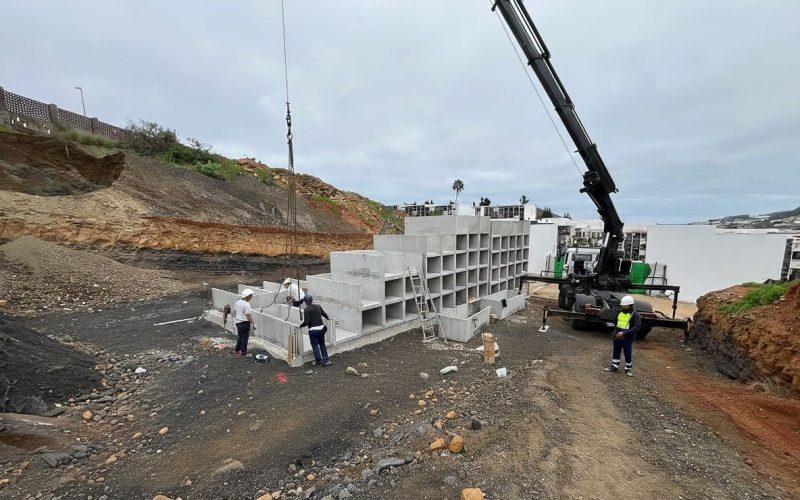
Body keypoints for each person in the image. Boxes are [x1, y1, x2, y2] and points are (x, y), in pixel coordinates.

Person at [605, 295, 640, 377]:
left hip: (628, 337)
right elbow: (616, 322)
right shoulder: (620, 312)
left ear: (629, 305)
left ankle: (628, 369)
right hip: (618, 336)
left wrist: (624, 333)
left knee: (627, 352)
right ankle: (614, 367)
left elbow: (637, 327)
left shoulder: (635, 314)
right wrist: (615, 332)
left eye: (624, 305)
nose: (622, 306)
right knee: (616, 350)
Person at [297, 295, 331, 366]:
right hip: (321, 329)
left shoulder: (307, 309)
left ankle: (319, 361)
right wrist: (328, 318)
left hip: (313, 331)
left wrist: (301, 326)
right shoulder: (318, 306)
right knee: (322, 345)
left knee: (315, 346)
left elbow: (307, 321)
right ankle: (326, 360)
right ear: (312, 300)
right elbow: (324, 314)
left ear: (305, 302)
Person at [233, 289, 255, 357]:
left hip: (238, 323)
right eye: (250, 296)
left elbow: (236, 311)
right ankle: (243, 352)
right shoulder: (246, 304)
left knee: (240, 336)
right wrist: (253, 323)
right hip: (244, 323)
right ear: (247, 296)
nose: (251, 297)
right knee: (245, 337)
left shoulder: (237, 302)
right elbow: (248, 315)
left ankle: (237, 350)